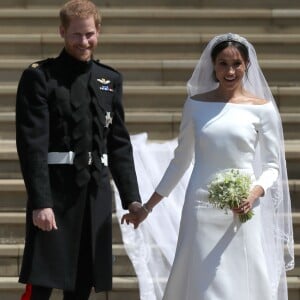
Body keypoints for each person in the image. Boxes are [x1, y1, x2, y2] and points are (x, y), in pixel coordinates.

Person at [122, 33, 294, 300]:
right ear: (213, 65)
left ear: (246, 65)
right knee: (203, 282)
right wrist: (147, 207)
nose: (230, 70)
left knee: (243, 276)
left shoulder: (263, 109)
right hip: (201, 206)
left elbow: (272, 165)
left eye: (236, 63)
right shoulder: (195, 105)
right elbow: (180, 161)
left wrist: (253, 193)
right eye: (223, 63)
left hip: (244, 206)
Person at [16, 1, 142, 299]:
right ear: (62, 32)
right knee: (42, 286)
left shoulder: (110, 80)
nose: (83, 42)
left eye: (89, 34)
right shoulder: (40, 77)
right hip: (55, 195)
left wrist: (132, 199)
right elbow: (32, 145)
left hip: (94, 194)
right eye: (76, 35)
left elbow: (119, 144)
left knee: (82, 286)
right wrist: (40, 202)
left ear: (98, 31)